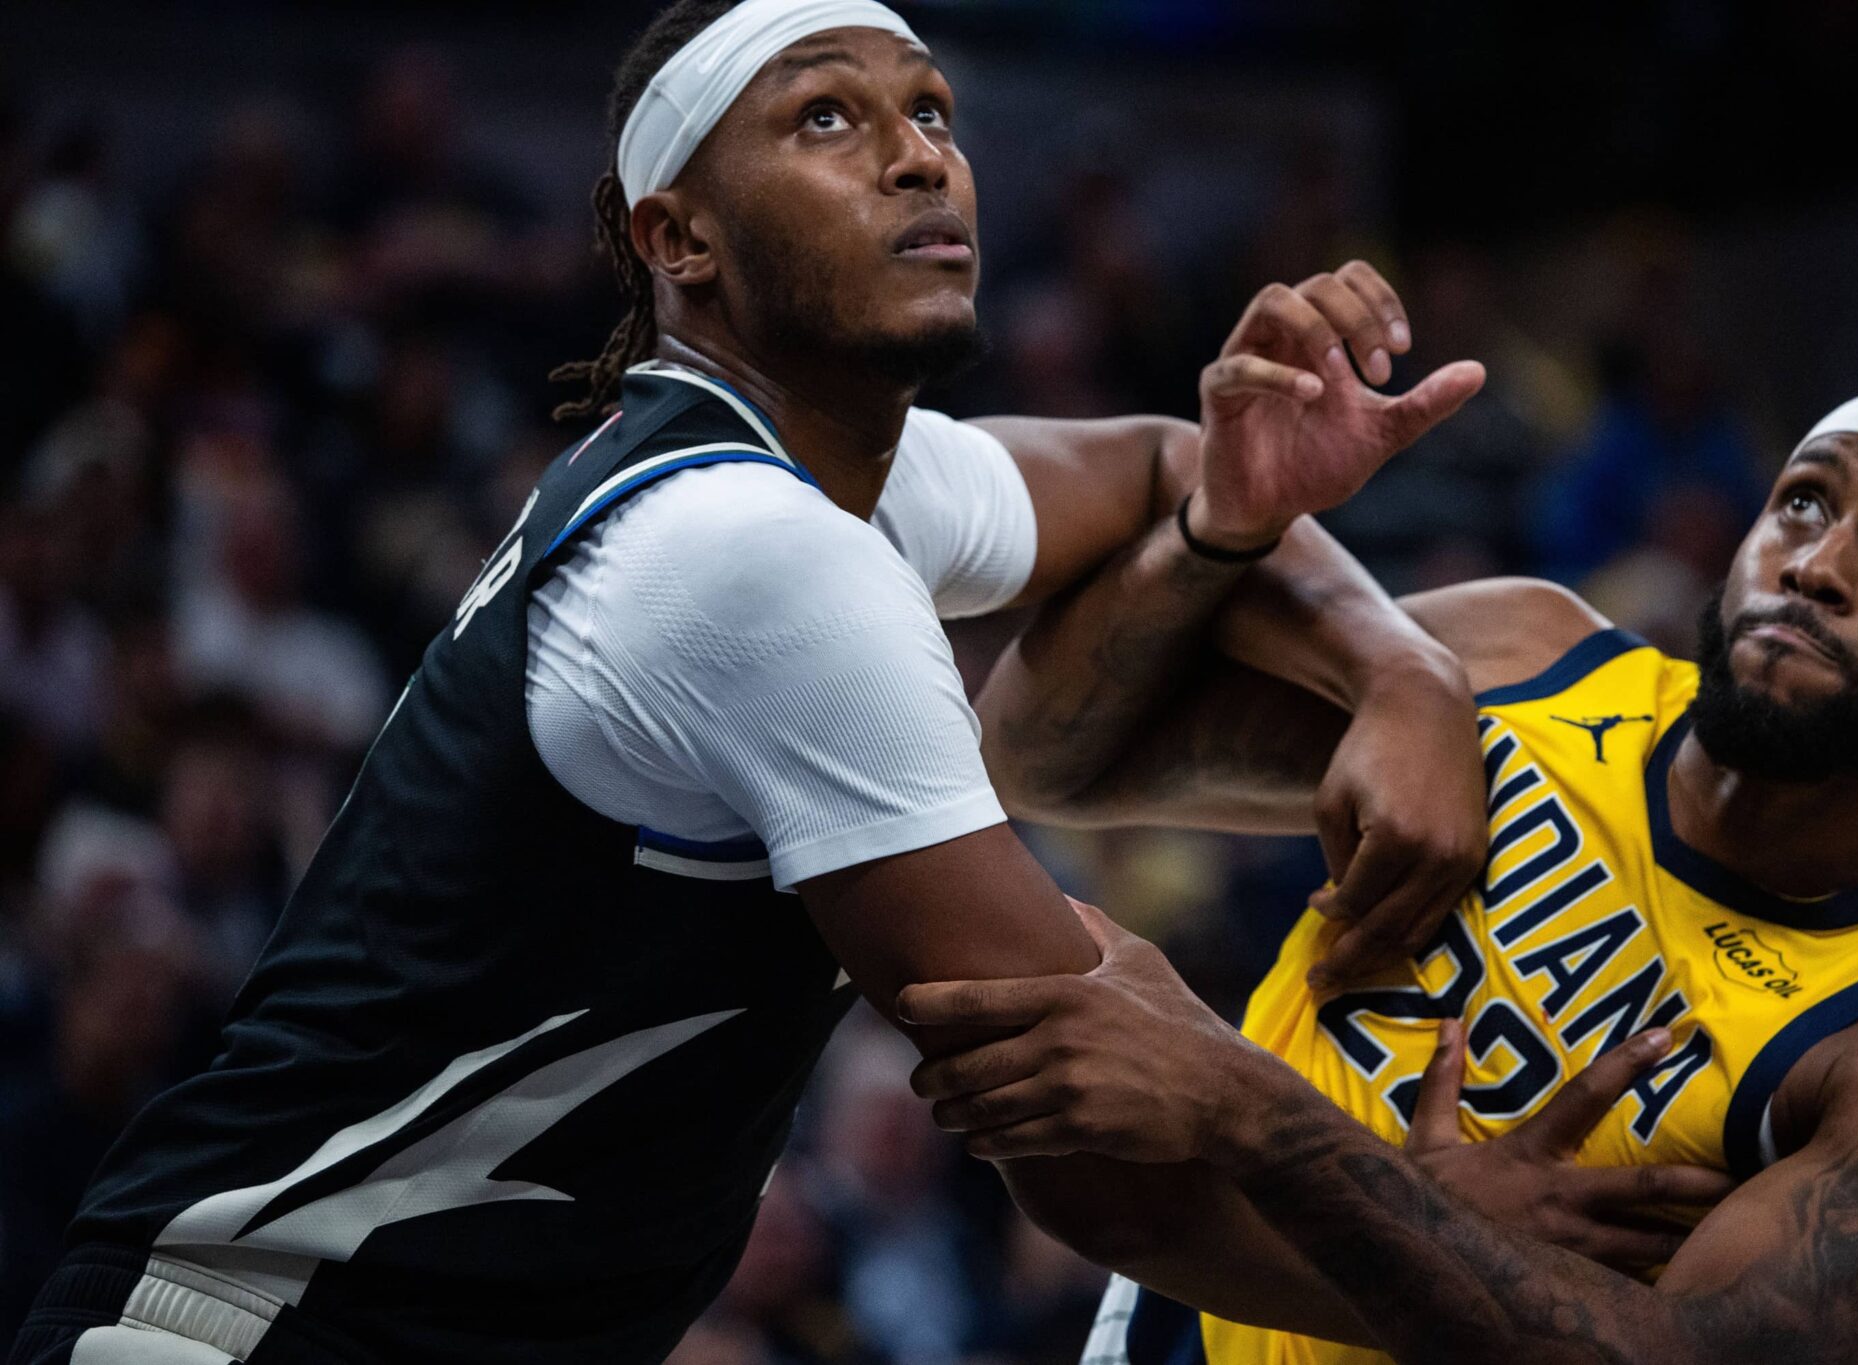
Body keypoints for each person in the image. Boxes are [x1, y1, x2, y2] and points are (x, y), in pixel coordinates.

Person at [7, 2, 1496, 1362]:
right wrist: (1463, 1270)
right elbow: (1098, 1147)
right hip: (250, 1328)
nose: (920, 156)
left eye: (933, 110)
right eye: (829, 118)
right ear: (681, 240)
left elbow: (1190, 466)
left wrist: (1405, 670)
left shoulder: (841, 481)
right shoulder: (753, 554)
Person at [907, 380, 1858, 1365]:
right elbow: (1039, 753)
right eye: (1801, 499)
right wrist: (1363, 647)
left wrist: (1247, 1108)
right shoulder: (1524, 657)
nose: (1815, 563)